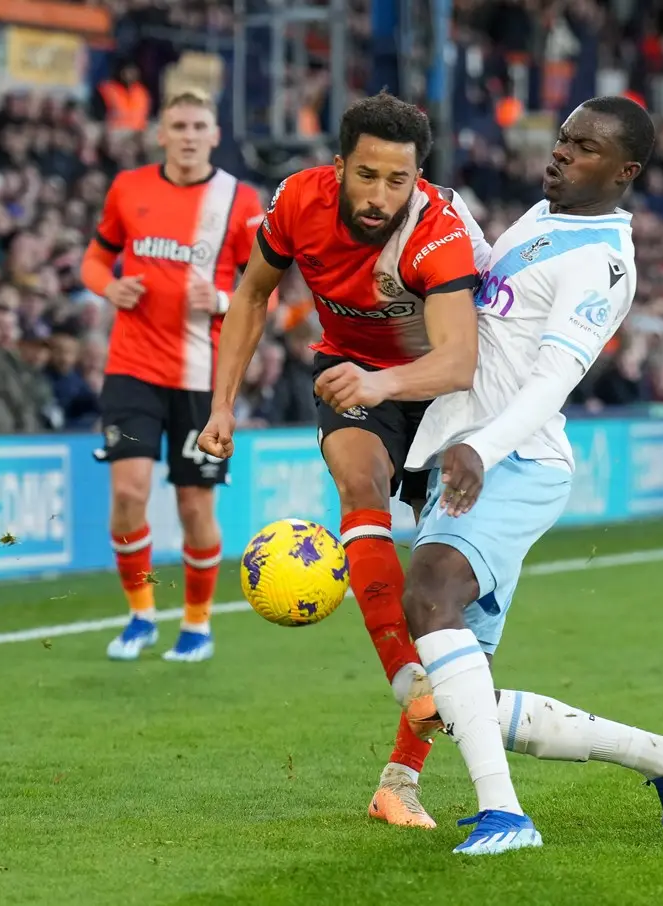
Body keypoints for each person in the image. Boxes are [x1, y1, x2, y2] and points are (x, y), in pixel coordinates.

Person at [396, 97, 663, 856]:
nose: (560, 154)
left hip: (515, 460)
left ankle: (506, 817)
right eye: (563, 139)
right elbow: (486, 297)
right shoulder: (545, 219)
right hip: (470, 457)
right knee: (452, 693)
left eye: (584, 148)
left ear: (625, 171)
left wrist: (484, 446)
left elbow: (552, 378)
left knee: (428, 595)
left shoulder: (602, 263)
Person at [197, 92, 481, 829]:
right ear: (339, 166)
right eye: (367, 175)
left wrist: (381, 380)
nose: (380, 195)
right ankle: (403, 678)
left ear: (419, 176)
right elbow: (253, 294)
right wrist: (221, 405)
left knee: (444, 598)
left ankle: (398, 782)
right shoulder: (297, 200)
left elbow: (456, 360)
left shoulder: (438, 234)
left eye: (398, 180)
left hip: (441, 399)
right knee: (360, 479)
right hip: (353, 379)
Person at [80, 89, 266, 664]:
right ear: (160, 134)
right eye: (178, 125)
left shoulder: (239, 199)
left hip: (203, 375)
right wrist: (109, 287)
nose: (188, 135)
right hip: (132, 368)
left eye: (199, 125)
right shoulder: (128, 189)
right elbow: (93, 258)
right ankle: (139, 615)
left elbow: (263, 286)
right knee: (129, 492)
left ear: (214, 135)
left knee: (194, 508)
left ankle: (196, 623)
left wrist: (217, 299)